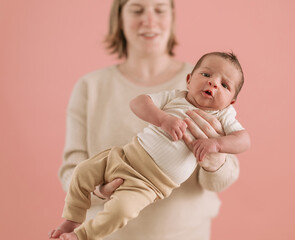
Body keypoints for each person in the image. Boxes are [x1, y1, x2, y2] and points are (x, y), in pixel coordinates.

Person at [52, 0, 251, 239]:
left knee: (122, 209)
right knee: (83, 171)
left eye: (159, 9)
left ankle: (81, 236)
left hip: (171, 216)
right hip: (123, 158)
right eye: (137, 10)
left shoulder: (220, 111)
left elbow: (239, 148)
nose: (213, 82)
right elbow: (72, 170)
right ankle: (71, 223)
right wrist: (99, 192)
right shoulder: (178, 93)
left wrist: (216, 151)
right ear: (119, 19)